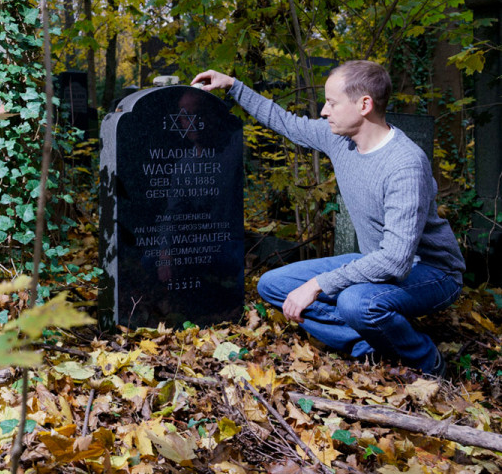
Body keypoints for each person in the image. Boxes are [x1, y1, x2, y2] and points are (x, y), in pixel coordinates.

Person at [191, 61, 464, 376]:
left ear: (364, 105)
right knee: (273, 284)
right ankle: (371, 347)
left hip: (431, 272)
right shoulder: (340, 139)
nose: (323, 111)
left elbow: (396, 262)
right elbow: (286, 123)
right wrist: (233, 85)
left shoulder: (405, 165)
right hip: (376, 261)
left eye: (332, 103)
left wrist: (319, 284)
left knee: (355, 302)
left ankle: (425, 361)